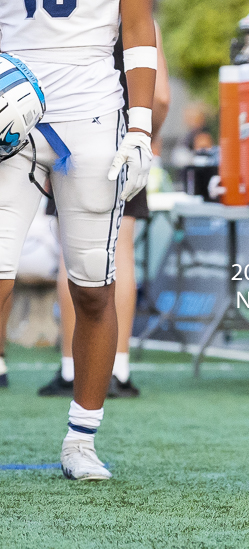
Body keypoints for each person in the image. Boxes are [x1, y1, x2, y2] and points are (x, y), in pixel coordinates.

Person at [0, 0, 157, 480]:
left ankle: (82, 439)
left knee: (92, 287)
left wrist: (141, 127)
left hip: (91, 110)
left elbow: (136, 28)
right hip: (9, 103)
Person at [38, 22, 170, 399]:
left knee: (71, 252)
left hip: (66, 133)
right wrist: (143, 137)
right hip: (113, 134)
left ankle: (70, 368)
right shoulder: (132, 17)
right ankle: (118, 367)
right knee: (119, 250)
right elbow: (160, 97)